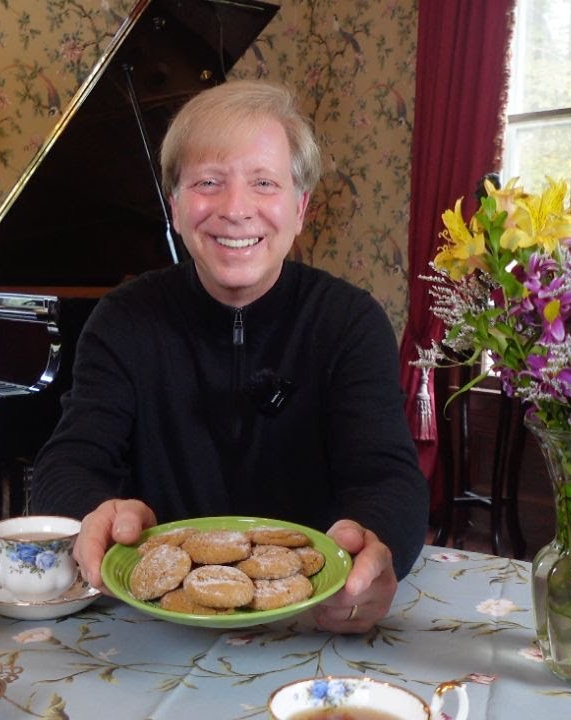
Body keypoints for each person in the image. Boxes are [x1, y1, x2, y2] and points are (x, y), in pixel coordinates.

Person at [28, 79, 428, 633]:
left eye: (265, 183)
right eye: (208, 182)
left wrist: (376, 549)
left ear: (300, 207)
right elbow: (66, 463)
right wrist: (96, 512)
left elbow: (389, 479)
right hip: (156, 625)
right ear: (175, 206)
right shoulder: (122, 319)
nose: (236, 209)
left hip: (315, 622)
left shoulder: (350, 322)